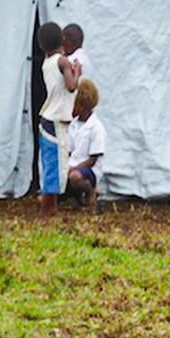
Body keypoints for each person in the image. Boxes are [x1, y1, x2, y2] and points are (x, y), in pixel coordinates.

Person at [37, 21, 82, 218]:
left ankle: (52, 208)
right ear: (62, 40)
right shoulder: (62, 62)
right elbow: (71, 87)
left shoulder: (47, 63)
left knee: (52, 165)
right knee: (56, 166)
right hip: (56, 120)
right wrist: (76, 72)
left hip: (49, 119)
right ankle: (47, 210)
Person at [67, 79, 106, 212]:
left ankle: (90, 191)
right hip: (73, 166)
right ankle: (79, 198)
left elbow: (92, 160)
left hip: (89, 170)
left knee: (74, 177)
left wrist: (73, 168)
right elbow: (69, 151)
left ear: (82, 105)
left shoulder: (96, 127)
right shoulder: (73, 125)